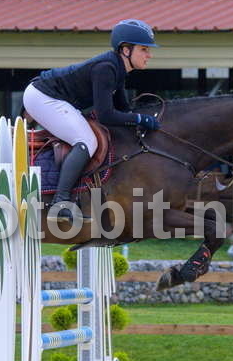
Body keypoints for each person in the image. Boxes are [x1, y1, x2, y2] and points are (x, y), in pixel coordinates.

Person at [22, 18, 160, 220]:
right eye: (144, 49)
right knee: (87, 140)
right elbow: (106, 115)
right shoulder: (106, 68)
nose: (149, 55)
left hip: (53, 97)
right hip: (42, 97)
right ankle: (60, 203)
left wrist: (141, 119)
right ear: (126, 50)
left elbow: (123, 109)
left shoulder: (118, 69)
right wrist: (140, 119)